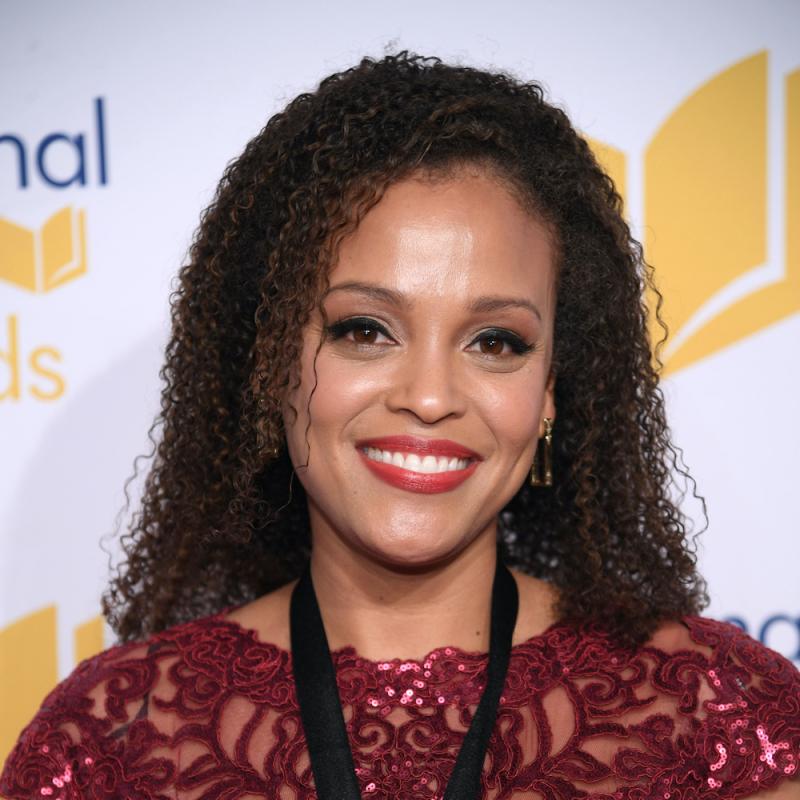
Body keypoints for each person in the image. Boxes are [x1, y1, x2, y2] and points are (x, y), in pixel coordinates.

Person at [2, 50, 798, 800]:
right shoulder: (112, 741)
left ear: (553, 388)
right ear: (272, 361)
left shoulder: (717, 715)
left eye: (496, 342)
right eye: (365, 329)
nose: (428, 396)